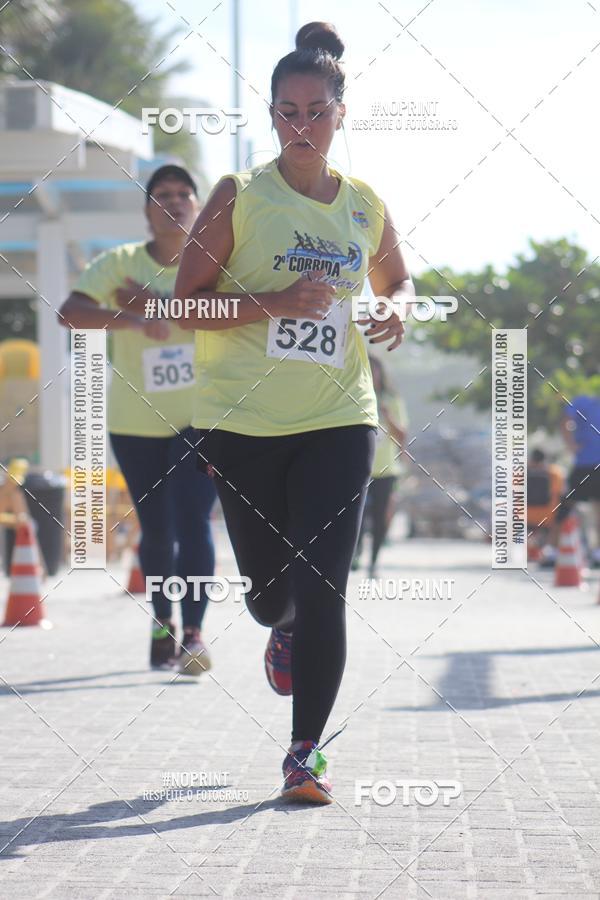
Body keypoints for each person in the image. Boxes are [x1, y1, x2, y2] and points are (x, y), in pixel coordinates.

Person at [174, 22, 412, 803]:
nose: (300, 125)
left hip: (340, 416)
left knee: (324, 587)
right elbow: (187, 304)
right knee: (274, 592)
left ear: (342, 112)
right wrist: (272, 300)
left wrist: (394, 313)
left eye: (315, 110)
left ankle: (305, 753)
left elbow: (397, 281)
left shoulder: (365, 204)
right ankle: (278, 624)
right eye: (286, 111)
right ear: (271, 115)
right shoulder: (239, 196)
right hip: (240, 422)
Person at [58, 164, 217, 674]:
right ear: (147, 211)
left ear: (198, 207)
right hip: (135, 420)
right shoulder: (118, 263)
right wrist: (130, 319)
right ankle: (161, 623)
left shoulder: (217, 264)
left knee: (194, 522)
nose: (174, 203)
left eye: (183, 195)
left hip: (203, 418)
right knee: (156, 529)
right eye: (162, 195)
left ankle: (194, 633)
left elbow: (245, 316)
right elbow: (70, 312)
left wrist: (158, 305)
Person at [353, 355, 407, 578]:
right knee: (356, 517)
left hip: (386, 470)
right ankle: (354, 554)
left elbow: (402, 436)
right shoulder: (354, 396)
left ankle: (373, 562)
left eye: (374, 370)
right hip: (358, 468)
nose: (371, 375)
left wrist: (387, 415)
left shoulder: (392, 401)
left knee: (378, 519)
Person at [560, 393, 600, 566]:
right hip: (584, 465)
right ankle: (553, 550)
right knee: (567, 505)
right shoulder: (584, 401)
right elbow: (565, 421)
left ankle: (597, 551)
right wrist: (570, 445)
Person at [526, 448, 564, 566]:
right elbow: (559, 492)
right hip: (548, 516)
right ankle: (550, 552)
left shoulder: (521, 473)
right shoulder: (554, 472)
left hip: (526, 516)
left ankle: (532, 552)